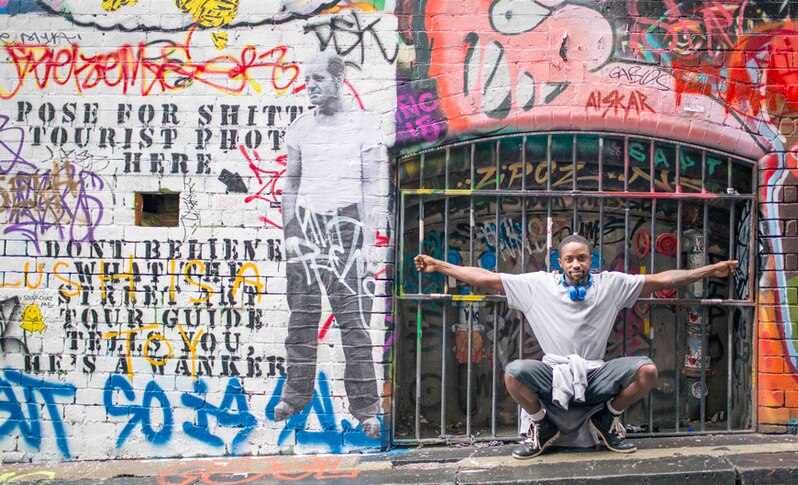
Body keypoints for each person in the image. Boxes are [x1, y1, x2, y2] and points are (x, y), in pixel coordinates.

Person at [414, 234, 737, 458]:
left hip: (596, 373)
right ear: (560, 262)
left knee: (646, 370)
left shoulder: (611, 283)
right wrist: (440, 266)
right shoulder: (538, 284)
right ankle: (541, 424)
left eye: (582, 258)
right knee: (514, 373)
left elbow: (663, 280)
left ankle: (609, 418)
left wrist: (711, 269)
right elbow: (485, 278)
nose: (576, 264)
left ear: (590, 259)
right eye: (569, 259)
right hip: (554, 373)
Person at [274, 52, 386, 440]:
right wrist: (290, 229)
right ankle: (296, 394)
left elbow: (374, 185)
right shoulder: (300, 127)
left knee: (353, 321)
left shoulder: (363, 126)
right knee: (301, 316)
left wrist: (370, 240)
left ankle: (366, 408)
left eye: (318, 79)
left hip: (347, 224)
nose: (311, 86)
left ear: (339, 80)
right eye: (307, 81)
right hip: (305, 224)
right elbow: (290, 182)